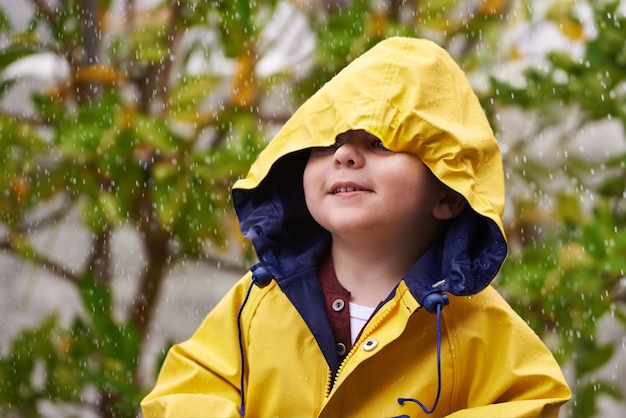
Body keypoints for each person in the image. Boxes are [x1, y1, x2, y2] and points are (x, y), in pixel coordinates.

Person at [141, 36, 571, 417]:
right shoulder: (257, 301)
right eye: (328, 141)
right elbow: (188, 390)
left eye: (380, 143)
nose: (344, 154)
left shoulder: (478, 328)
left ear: (448, 194)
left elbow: (529, 401)